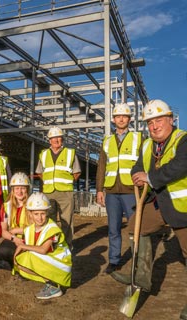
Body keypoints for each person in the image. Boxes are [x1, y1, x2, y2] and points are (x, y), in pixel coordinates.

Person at [110, 99, 187, 319]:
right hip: (160, 203)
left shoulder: (183, 140)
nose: (154, 126)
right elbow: (138, 166)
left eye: (159, 120)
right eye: (150, 122)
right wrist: (137, 176)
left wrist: (150, 178)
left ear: (170, 120)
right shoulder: (147, 145)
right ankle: (142, 277)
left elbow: (180, 166)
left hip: (183, 207)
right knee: (137, 226)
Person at [95, 103, 143, 274]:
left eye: (124, 116)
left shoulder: (139, 138)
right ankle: (114, 260)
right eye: (118, 116)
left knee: (136, 227)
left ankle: (138, 260)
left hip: (131, 190)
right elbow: (101, 166)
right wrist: (99, 190)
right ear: (114, 120)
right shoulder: (107, 141)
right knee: (113, 228)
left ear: (129, 119)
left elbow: (145, 163)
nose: (121, 119)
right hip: (112, 192)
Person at [13, 192, 72, 300]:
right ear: (30, 214)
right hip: (52, 261)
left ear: (47, 213)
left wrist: (22, 247)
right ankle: (50, 282)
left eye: (42, 214)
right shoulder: (32, 228)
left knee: (27, 257)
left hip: (61, 264)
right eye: (36, 214)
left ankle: (54, 285)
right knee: (20, 261)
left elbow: (43, 250)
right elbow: (22, 230)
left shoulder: (52, 228)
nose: (39, 218)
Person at [35, 126, 81, 248]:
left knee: (67, 221)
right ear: (49, 140)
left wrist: (66, 182)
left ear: (62, 139)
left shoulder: (70, 153)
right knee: (48, 220)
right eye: (53, 138)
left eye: (58, 137)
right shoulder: (43, 154)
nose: (56, 140)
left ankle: (66, 245)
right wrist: (48, 181)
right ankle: (51, 244)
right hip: (48, 191)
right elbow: (39, 172)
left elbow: (76, 172)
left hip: (65, 192)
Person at [0, 172, 31, 268]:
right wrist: (14, 239)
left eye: (23, 188)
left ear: (27, 189)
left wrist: (17, 230)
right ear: (12, 190)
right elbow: (3, 231)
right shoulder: (6, 206)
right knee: (4, 250)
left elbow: (37, 228)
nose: (19, 192)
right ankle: (14, 263)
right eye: (17, 188)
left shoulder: (33, 204)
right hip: (14, 238)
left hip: (30, 238)